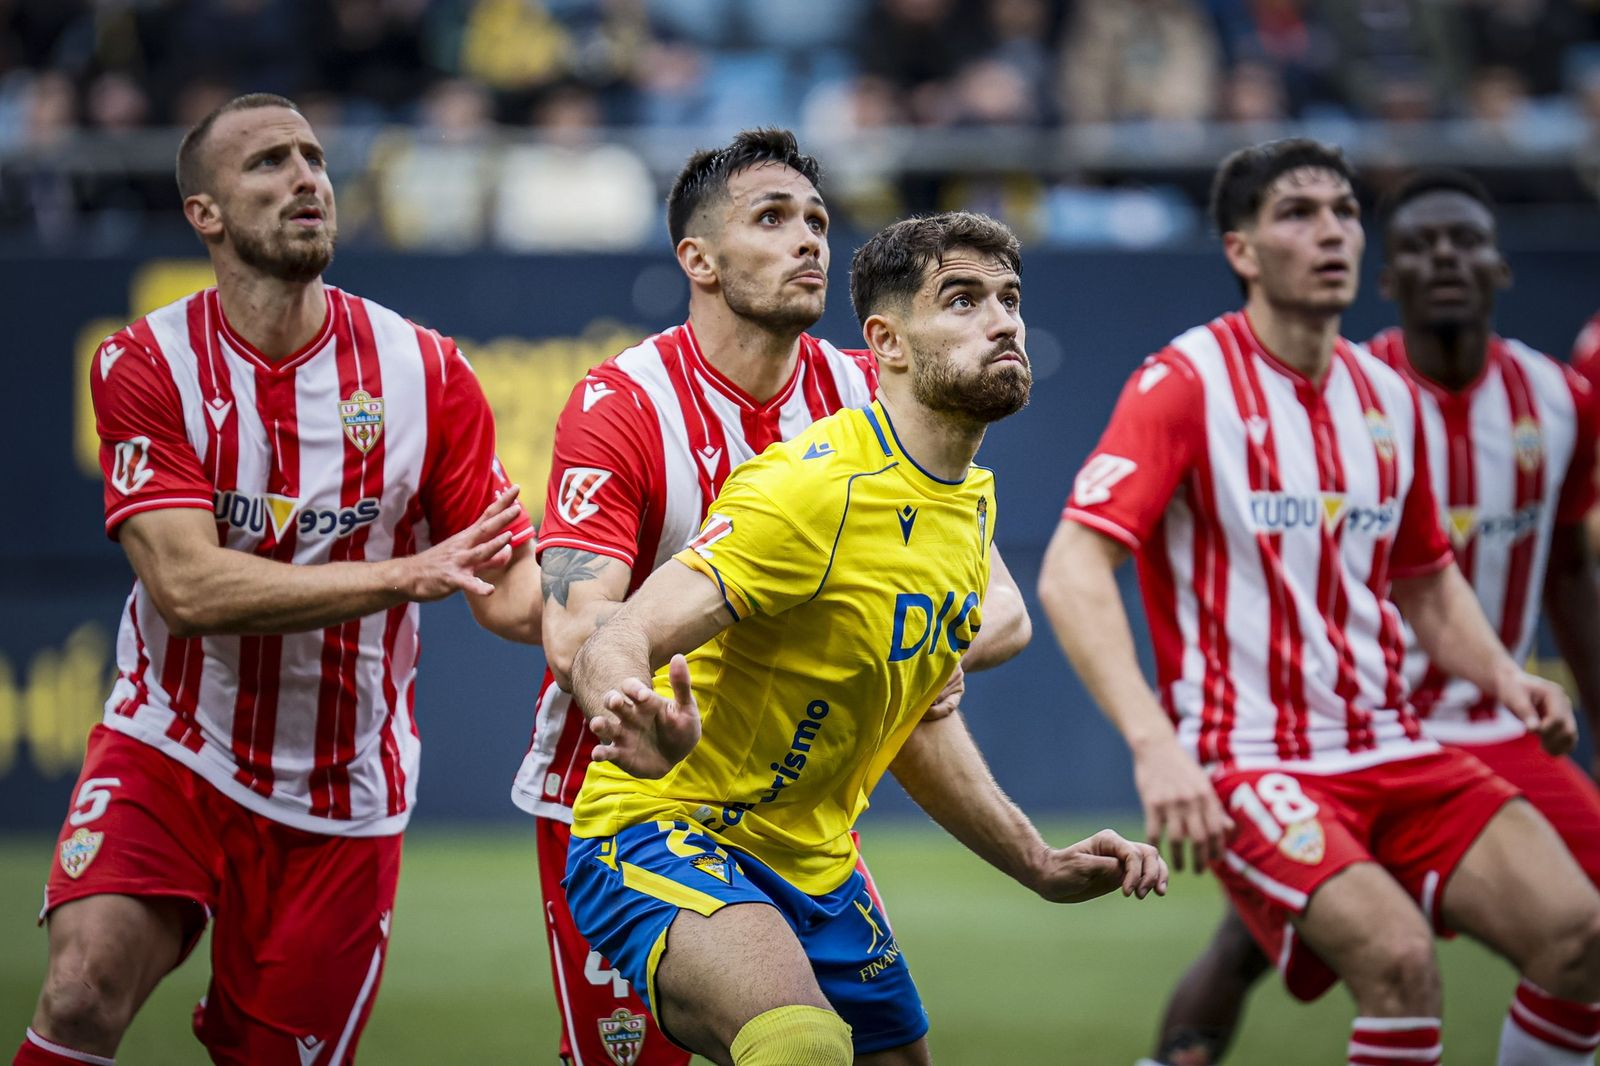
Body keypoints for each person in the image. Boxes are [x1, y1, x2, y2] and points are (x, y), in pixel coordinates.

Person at [1038, 139, 1600, 1066]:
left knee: (1579, 935)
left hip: (1394, 742)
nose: (1333, 231)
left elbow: (1425, 579)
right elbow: (1071, 570)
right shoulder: (1185, 382)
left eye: (1343, 211)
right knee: (1398, 960)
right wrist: (1156, 747)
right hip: (1250, 757)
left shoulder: (1387, 397)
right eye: (1298, 214)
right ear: (1242, 251)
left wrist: (1505, 677)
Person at [562, 211, 1169, 1066]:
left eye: (1009, 299)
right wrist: (629, 705)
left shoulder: (967, 502)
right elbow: (618, 634)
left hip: (814, 864)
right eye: (962, 300)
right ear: (885, 342)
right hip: (668, 829)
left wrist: (1037, 862)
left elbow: (919, 720)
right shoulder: (812, 488)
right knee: (802, 1045)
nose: (1002, 321)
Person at [13, 93, 542, 1066]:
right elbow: (187, 590)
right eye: (268, 162)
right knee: (81, 990)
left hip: (343, 789)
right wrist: (402, 574)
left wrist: (618, 631)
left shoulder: (426, 372)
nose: (306, 178)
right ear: (204, 213)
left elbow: (508, 586)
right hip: (174, 744)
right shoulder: (145, 363)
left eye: (315, 158)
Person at [511, 128, 1032, 1066]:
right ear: (698, 259)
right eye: (773, 218)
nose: (809, 241)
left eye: (818, 221)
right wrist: (637, 706)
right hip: (633, 781)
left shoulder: (866, 387)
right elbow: (577, 624)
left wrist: (922, 645)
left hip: (791, 806)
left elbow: (995, 602)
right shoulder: (624, 403)